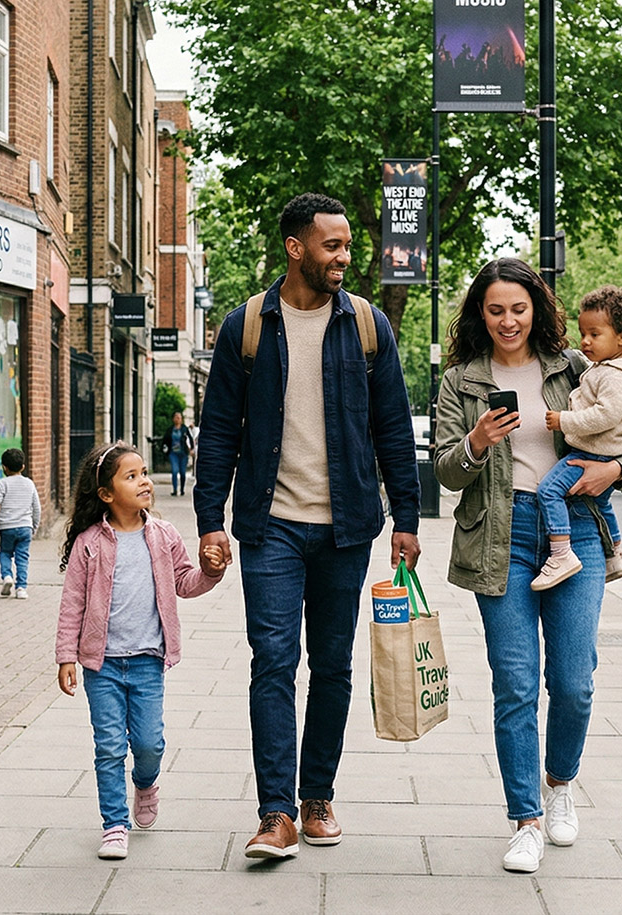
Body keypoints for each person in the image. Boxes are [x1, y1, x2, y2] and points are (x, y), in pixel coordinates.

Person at [194, 192, 420, 861]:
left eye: (349, 245)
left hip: (347, 525)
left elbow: (393, 432)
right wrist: (210, 521)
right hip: (271, 525)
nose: (345, 258)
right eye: (333, 246)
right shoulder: (246, 327)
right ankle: (275, 812)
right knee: (273, 661)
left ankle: (317, 795)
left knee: (334, 666)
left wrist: (406, 516)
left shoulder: (370, 325)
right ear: (296, 248)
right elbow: (218, 438)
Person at [431, 257, 622, 874]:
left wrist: (616, 470)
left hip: (575, 530)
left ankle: (560, 785)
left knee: (574, 683)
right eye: (495, 310)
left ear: (537, 310)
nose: (507, 321)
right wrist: (475, 443)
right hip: (499, 538)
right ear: (481, 313)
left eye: (518, 309)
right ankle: (524, 817)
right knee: (516, 683)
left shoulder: (575, 366)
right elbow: (445, 469)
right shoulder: (461, 381)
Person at [57, 441, 224, 860]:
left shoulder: (163, 534)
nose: (145, 481)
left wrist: (210, 571)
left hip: (149, 660)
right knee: (109, 746)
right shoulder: (90, 543)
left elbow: (185, 582)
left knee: (149, 744)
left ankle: (146, 783)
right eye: (131, 476)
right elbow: (72, 603)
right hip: (103, 664)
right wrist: (65, 656)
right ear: (107, 495)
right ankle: (114, 824)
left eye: (145, 472)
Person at [536, 285, 622, 589]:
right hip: (604, 454)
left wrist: (565, 420)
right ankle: (615, 555)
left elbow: (604, 416)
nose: (585, 342)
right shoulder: (612, 366)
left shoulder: (613, 375)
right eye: (582, 333)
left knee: (549, 491)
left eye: (594, 334)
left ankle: (561, 554)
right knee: (601, 505)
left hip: (592, 454)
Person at [0, 447, 43, 599]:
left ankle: (7, 576)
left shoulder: (3, 483)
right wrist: (34, 526)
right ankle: (21, 588)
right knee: (22, 557)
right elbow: (37, 508)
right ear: (23, 466)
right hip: (25, 527)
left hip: (7, 527)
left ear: (4, 468)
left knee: (5, 553)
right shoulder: (29, 484)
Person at [162, 412, 197, 496]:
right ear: (173, 419)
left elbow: (190, 439)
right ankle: (174, 489)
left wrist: (192, 449)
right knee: (174, 471)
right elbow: (165, 440)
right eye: (176, 417)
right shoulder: (170, 430)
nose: (177, 419)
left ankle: (182, 489)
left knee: (182, 472)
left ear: (181, 419)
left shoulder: (184, 429)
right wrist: (165, 450)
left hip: (183, 453)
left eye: (179, 417)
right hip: (173, 453)